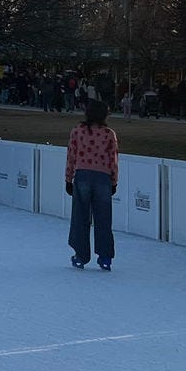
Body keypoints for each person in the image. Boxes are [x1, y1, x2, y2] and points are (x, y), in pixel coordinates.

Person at [65, 102, 119, 270]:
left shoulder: (78, 132)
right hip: (103, 177)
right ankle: (105, 257)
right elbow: (114, 159)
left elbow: (71, 156)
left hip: (82, 176)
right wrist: (114, 181)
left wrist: (68, 179)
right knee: (103, 218)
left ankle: (81, 255)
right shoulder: (109, 134)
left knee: (80, 217)